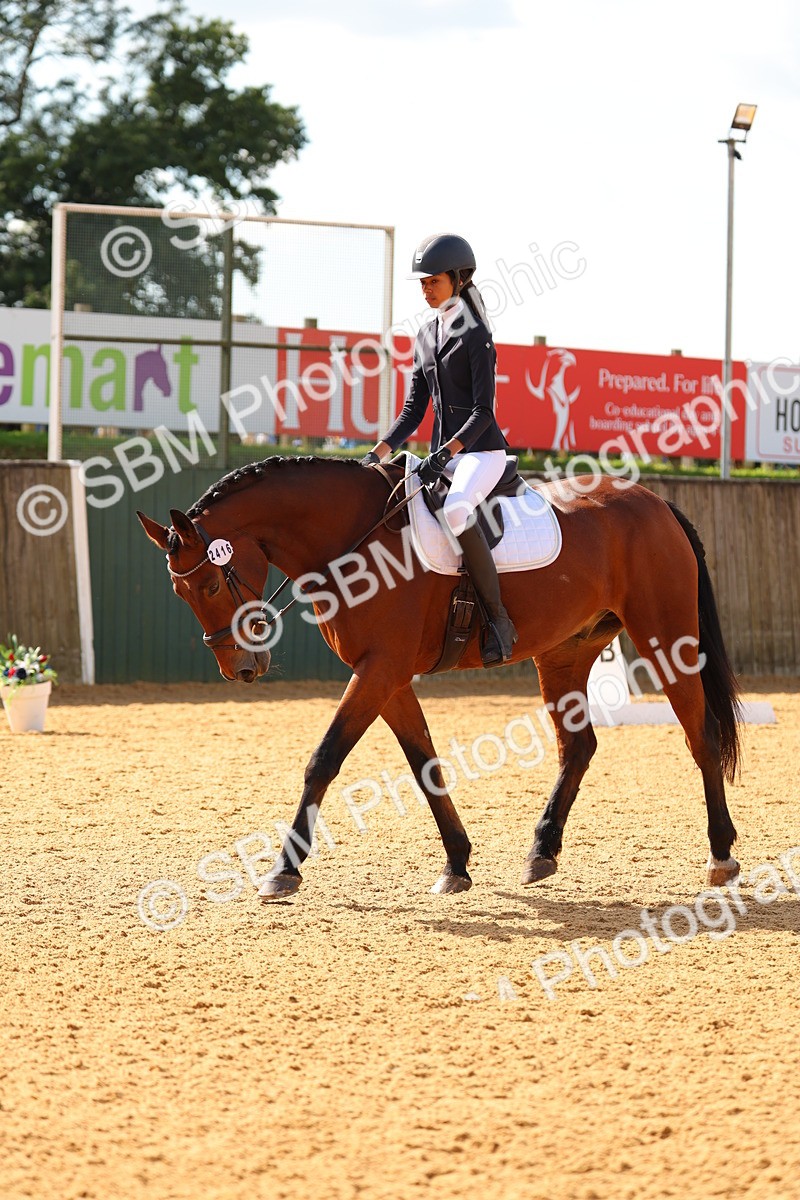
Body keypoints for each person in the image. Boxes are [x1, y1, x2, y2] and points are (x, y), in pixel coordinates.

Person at [362, 232, 518, 666]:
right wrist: (377, 453)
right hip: (442, 456)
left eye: (434, 281)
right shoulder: (426, 334)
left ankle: (499, 620)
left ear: (459, 279)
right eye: (423, 282)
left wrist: (448, 451)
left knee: (455, 510)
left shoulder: (476, 334)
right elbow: (413, 409)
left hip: (480, 453)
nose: (426, 289)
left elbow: (484, 412)